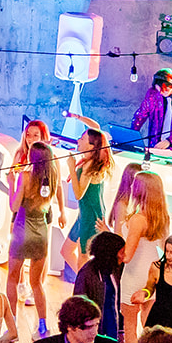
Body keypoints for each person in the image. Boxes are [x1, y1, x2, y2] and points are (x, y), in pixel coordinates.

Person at [8, 140, 65, 337]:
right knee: (37, 283)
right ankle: (42, 325)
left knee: (12, 278)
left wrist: (10, 184)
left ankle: (12, 321)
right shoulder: (52, 178)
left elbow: (14, 207)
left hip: (22, 231)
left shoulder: (25, 177)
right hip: (41, 232)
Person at [117, 171, 169, 343]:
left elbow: (128, 256)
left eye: (134, 185)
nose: (131, 188)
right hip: (153, 272)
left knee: (129, 326)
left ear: (140, 191)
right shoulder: (162, 217)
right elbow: (163, 249)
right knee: (148, 323)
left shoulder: (138, 219)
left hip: (133, 274)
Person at [61, 116, 113, 277]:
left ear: (91, 145)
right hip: (84, 215)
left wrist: (71, 167)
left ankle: (84, 291)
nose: (78, 140)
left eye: (82, 138)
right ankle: (86, 283)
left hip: (91, 218)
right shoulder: (90, 159)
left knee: (83, 257)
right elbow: (96, 126)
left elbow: (78, 194)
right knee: (66, 251)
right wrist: (75, 117)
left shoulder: (91, 165)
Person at [70, 231, 124, 343]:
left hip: (112, 329)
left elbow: (119, 302)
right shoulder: (86, 274)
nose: (124, 256)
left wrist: (121, 331)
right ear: (110, 253)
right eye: (121, 252)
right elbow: (78, 306)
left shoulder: (117, 270)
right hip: (93, 333)